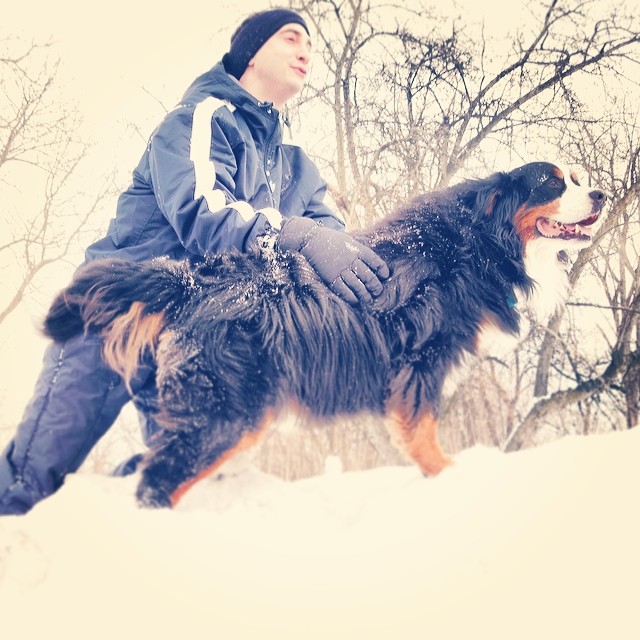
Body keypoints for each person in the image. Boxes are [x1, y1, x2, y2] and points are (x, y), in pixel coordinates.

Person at [0, 7, 389, 515]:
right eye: (291, 38)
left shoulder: (295, 164)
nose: (305, 52)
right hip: (114, 316)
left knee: (180, 481)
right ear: (251, 54)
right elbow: (204, 211)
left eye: (310, 45)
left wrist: (398, 277)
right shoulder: (201, 117)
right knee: (32, 479)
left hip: (189, 336)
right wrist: (297, 234)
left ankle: (101, 521)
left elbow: (335, 244)